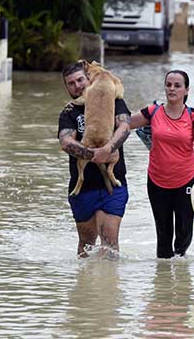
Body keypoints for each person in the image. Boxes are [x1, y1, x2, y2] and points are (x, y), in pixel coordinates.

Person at [130, 70, 194, 259]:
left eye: (177, 85)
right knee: (163, 234)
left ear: (186, 90)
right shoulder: (153, 112)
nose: (172, 89)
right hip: (157, 181)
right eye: (168, 85)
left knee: (184, 232)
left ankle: (181, 269)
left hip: (186, 181)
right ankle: (163, 283)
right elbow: (124, 123)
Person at [58, 60, 131, 257]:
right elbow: (65, 142)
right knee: (86, 243)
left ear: (88, 77)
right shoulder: (69, 112)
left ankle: (109, 286)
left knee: (109, 242)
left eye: (80, 80)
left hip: (113, 186)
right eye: (71, 83)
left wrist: (108, 148)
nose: (77, 86)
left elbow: (125, 127)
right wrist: (94, 155)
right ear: (66, 88)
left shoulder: (112, 98)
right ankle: (85, 286)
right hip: (83, 187)